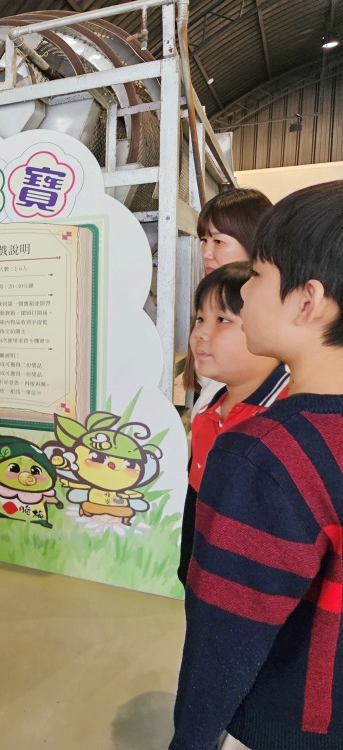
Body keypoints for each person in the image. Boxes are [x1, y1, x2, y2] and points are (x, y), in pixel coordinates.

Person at [171, 181, 343, 749]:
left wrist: (191, 740)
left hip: (292, 722)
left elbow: (222, 645)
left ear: (307, 300)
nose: (243, 301)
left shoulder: (264, 455)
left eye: (259, 278)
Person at [176, 262, 288, 585]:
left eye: (222, 319)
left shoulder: (282, 421)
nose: (200, 333)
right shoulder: (207, 411)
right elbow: (196, 504)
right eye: (200, 318)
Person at [183, 188, 273, 409]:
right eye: (203, 240)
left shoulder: (268, 311)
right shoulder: (214, 292)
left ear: (252, 239)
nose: (206, 253)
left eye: (218, 242)